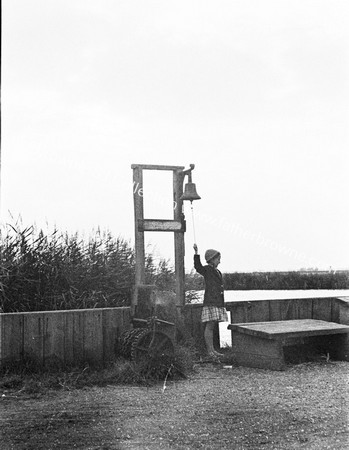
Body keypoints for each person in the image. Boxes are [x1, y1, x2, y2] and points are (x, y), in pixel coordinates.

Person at [193, 244, 228, 359]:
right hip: (211, 302)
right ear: (212, 259)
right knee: (210, 326)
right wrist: (196, 253)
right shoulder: (207, 269)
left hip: (217, 302)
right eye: (218, 259)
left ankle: (212, 350)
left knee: (212, 326)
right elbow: (198, 267)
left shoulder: (217, 271)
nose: (220, 261)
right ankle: (210, 351)